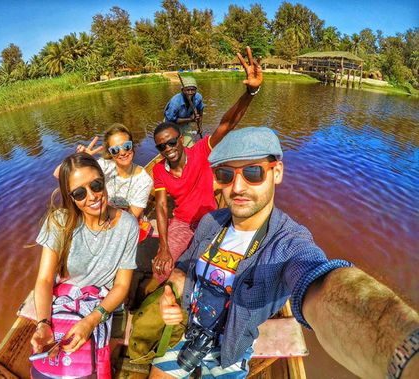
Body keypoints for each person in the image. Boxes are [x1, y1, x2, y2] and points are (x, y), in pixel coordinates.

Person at [152, 127, 419, 378]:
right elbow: (185, 267)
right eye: (225, 175)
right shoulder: (211, 222)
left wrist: (404, 354)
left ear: (277, 171)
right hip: (191, 331)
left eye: (253, 172)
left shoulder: (288, 243)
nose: (237, 187)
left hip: (231, 348)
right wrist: (171, 293)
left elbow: (323, 286)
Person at [152, 47, 262, 284]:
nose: (168, 148)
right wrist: (163, 246)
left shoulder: (201, 150)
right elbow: (161, 207)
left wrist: (250, 93)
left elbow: (228, 122)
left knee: (223, 272)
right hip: (181, 222)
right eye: (161, 147)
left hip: (211, 220)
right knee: (161, 271)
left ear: (181, 140)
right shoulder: (159, 169)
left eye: (172, 142)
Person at [31, 152, 139, 358]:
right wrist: (43, 324)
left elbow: (122, 286)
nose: (92, 196)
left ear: (104, 180)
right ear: (70, 197)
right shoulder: (59, 223)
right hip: (62, 300)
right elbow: (44, 279)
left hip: (101, 304)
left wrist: (90, 321)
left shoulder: (128, 225)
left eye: (96, 185)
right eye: (79, 193)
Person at [55, 123, 153, 219]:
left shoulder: (144, 180)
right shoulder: (104, 166)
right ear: (110, 153)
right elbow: (57, 174)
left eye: (126, 146)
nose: (122, 153)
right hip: (100, 216)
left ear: (132, 145)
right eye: (115, 150)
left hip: (126, 222)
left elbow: (131, 217)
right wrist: (79, 159)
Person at [163, 76, 204, 147]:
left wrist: (200, 126)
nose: (190, 92)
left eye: (193, 90)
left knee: (189, 146)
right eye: (187, 90)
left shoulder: (198, 97)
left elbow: (200, 112)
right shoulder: (175, 102)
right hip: (171, 125)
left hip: (185, 124)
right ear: (182, 90)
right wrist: (191, 119)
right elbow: (171, 120)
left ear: (196, 90)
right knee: (173, 146)